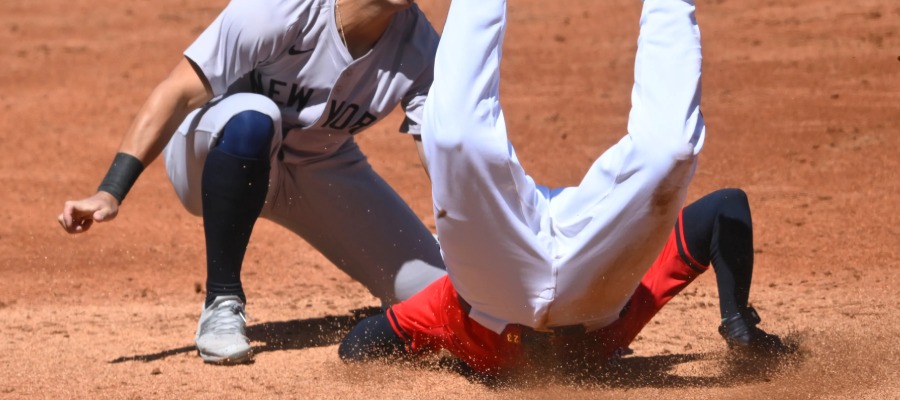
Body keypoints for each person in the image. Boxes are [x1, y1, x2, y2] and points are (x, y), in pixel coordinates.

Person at [338, 0, 787, 376]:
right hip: (571, 288)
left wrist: (738, 321)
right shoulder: (639, 294)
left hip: (535, 283)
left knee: (670, 152)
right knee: (459, 137)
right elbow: (726, 208)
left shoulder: (442, 307)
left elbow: (357, 346)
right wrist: (737, 314)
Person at [57, 0, 448, 364]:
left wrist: (484, 243)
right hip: (213, 148)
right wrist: (111, 189)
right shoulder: (280, 9)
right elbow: (177, 93)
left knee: (439, 295)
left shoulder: (423, 49)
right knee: (255, 116)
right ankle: (221, 302)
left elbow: (443, 156)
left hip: (321, 167)